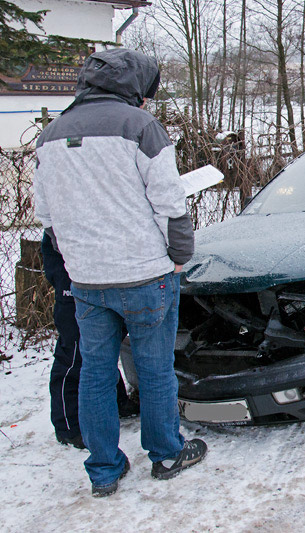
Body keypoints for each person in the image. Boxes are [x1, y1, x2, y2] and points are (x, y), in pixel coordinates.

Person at [33, 48, 207, 497]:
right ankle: (167, 453)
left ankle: (104, 469)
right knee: (154, 370)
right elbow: (169, 201)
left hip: (87, 280)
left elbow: (46, 214)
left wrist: (75, 258)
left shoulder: (51, 134)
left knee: (94, 373)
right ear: (133, 87)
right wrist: (179, 255)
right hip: (146, 274)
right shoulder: (141, 126)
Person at [41, 232, 139, 450]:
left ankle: (117, 401)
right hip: (73, 263)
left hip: (104, 263)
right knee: (75, 347)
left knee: (104, 340)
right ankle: (69, 425)